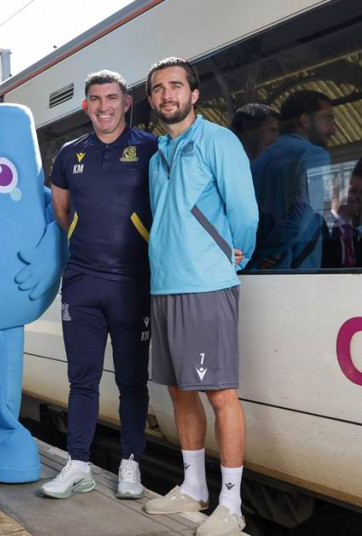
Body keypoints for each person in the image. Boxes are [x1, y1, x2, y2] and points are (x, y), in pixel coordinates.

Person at [141, 57, 258, 536]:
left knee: (220, 393)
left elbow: (245, 213)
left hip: (207, 286)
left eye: (175, 86)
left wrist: (236, 257)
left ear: (194, 94)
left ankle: (231, 504)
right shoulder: (156, 156)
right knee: (178, 389)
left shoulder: (219, 141)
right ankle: (193, 487)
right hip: (165, 286)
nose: (167, 94)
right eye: (158, 89)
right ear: (150, 100)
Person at [39, 70, 157, 500]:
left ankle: (131, 465)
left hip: (132, 284)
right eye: (95, 99)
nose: (103, 106)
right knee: (81, 379)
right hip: (83, 283)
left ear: (127, 103)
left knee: (131, 381)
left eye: (111, 98)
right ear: (85, 105)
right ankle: (79, 465)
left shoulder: (150, 148)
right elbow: (62, 212)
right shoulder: (70, 155)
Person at [249, 90, 336, 270]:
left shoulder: (257, 163)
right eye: (327, 119)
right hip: (294, 273)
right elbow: (301, 219)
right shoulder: (314, 154)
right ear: (305, 120)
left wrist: (255, 257)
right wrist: (268, 253)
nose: (333, 129)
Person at [321, 162, 362, 268]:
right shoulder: (321, 227)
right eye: (353, 191)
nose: (358, 197)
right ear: (335, 192)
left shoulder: (361, 239)